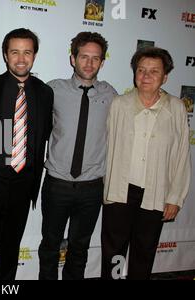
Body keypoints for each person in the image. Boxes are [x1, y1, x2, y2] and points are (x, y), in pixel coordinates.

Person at [101, 47, 191, 280]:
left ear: (165, 76)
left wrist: (175, 197)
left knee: (144, 250)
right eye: (141, 70)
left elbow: (181, 155)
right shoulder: (119, 104)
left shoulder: (176, 108)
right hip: (120, 192)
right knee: (114, 252)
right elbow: (106, 146)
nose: (146, 76)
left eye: (154, 71)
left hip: (155, 193)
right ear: (134, 73)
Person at [0, 28, 53, 280]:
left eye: (27, 52)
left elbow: (43, 136)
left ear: (35, 56)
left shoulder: (44, 92)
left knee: (10, 250)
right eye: (14, 52)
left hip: (22, 184)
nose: (20, 58)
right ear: (5, 55)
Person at [38, 32, 117, 280]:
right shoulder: (52, 90)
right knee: (50, 244)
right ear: (73, 59)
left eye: (96, 58)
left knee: (79, 248)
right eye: (84, 57)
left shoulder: (112, 95)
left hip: (92, 187)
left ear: (102, 62)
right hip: (57, 184)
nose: (89, 63)